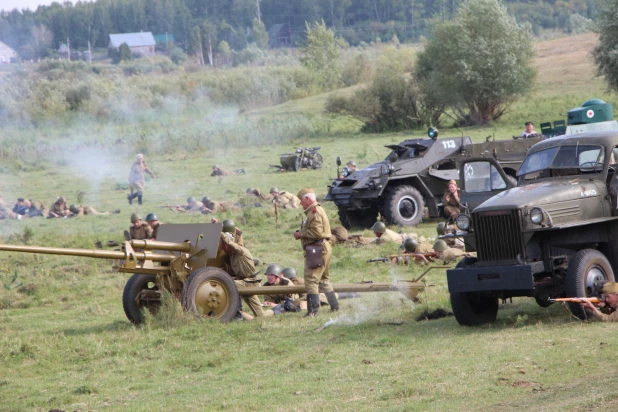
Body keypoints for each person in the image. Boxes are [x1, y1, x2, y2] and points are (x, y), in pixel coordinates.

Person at [294, 187, 339, 316]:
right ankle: (335, 307)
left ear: (308, 199)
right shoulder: (316, 210)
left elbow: (317, 232)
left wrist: (301, 234)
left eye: (301, 200)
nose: (300, 203)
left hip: (317, 248)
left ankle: (313, 311)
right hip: (322, 247)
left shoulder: (314, 212)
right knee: (324, 280)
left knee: (311, 280)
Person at [219, 232, 272, 318]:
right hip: (244, 283)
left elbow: (232, 244)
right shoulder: (231, 256)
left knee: (226, 283)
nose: (221, 246)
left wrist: (220, 232)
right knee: (261, 315)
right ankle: (275, 311)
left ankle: (233, 313)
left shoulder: (241, 251)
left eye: (222, 244)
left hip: (250, 283)